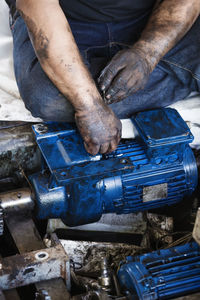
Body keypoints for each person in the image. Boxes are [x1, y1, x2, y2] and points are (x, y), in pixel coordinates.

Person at [5, 0, 200, 155]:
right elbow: (39, 7)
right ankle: (176, 79)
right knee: (49, 99)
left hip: (152, 18)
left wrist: (147, 54)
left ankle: (113, 83)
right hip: (63, 21)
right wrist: (88, 106)